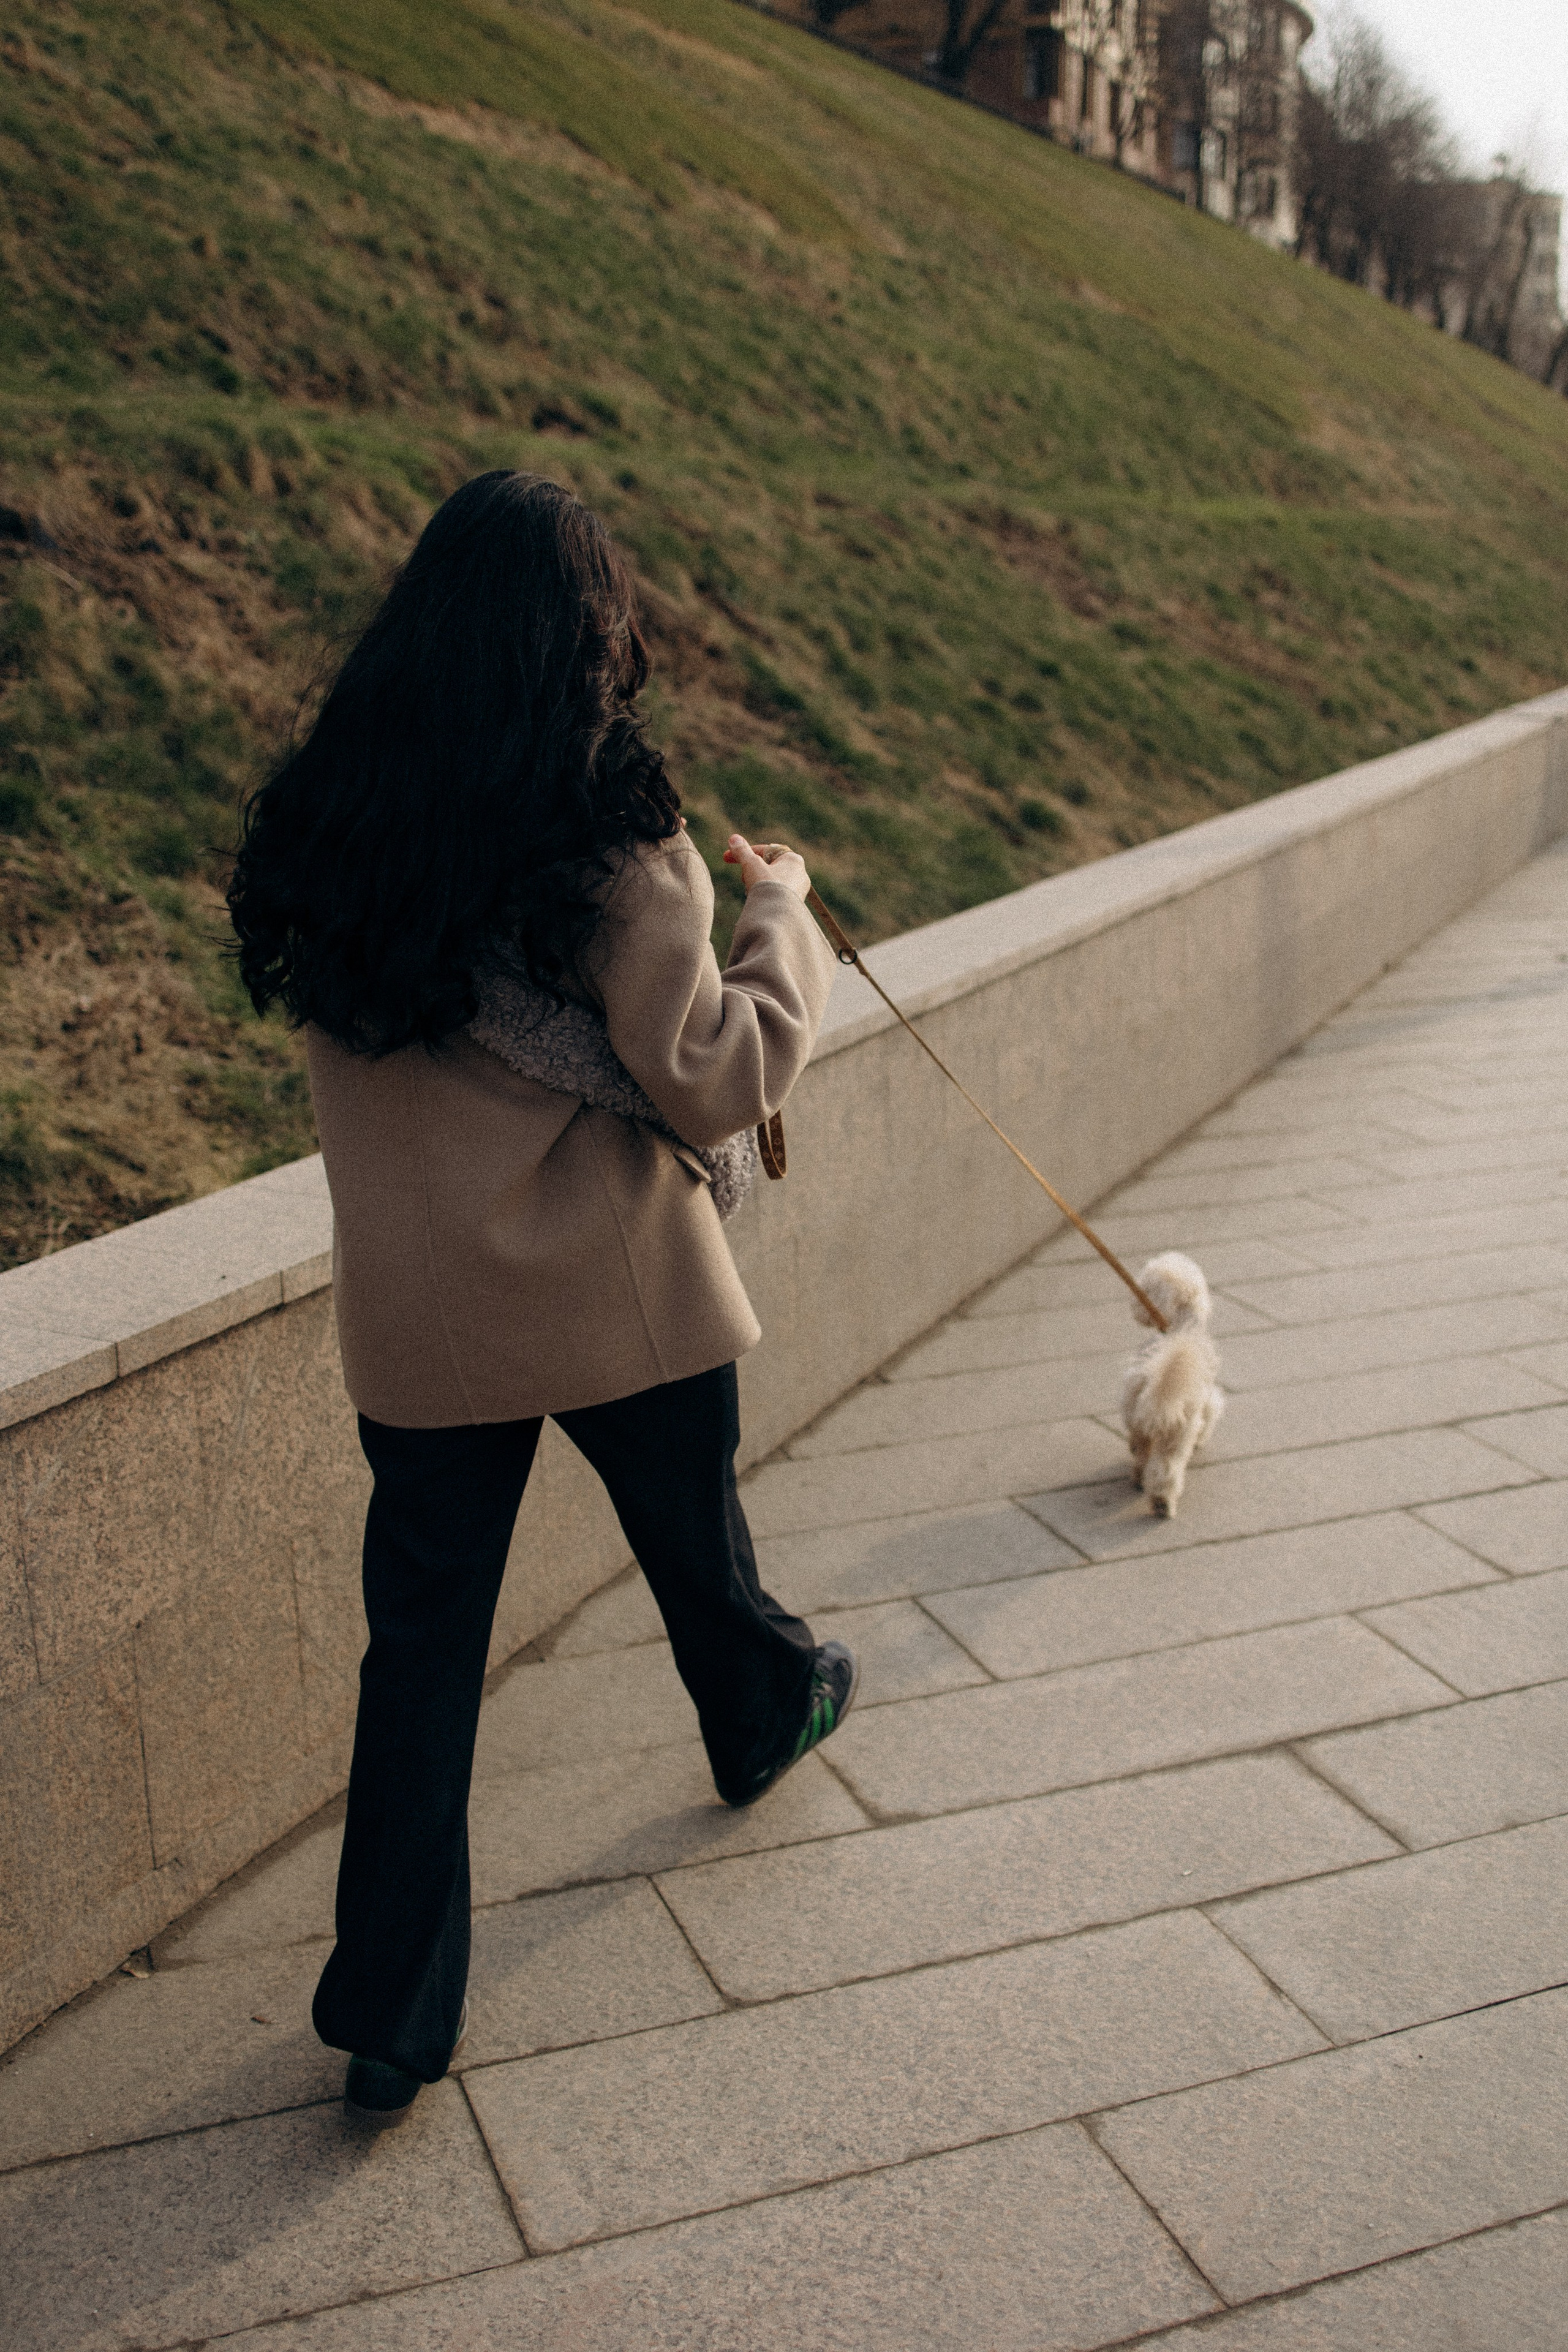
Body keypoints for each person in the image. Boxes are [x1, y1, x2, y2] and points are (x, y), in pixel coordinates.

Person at [227, 469, 854, 2121]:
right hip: (610, 1283)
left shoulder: (333, 821)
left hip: (420, 1317)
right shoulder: (609, 846)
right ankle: (768, 1707)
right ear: (588, 638)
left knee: (419, 1657)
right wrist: (783, 912)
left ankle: (390, 2012)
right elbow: (714, 1082)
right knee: (697, 1546)